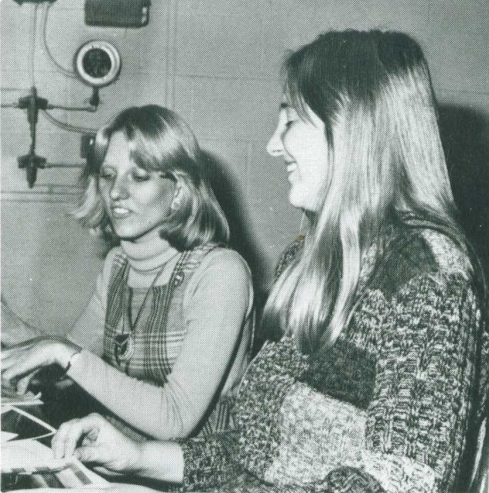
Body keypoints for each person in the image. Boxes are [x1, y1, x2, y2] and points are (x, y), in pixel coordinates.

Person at [36, 30, 489, 492]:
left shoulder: (429, 277)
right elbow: (252, 451)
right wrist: (141, 457)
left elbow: (400, 483)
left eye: (290, 121)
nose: (273, 144)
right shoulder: (307, 262)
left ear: (354, 129)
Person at [1, 105, 254, 441]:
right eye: (108, 175)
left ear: (178, 191)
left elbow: (176, 417)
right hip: (120, 458)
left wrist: (60, 352)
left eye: (139, 176)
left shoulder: (220, 273)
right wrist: (7, 325)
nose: (116, 192)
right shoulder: (118, 265)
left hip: (198, 466)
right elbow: (68, 361)